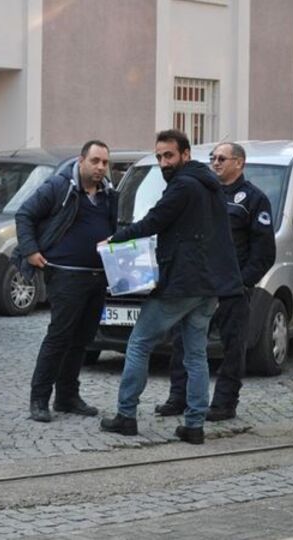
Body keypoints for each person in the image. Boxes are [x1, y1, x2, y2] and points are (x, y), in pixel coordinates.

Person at [99, 130, 242, 444]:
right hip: (208, 285)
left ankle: (126, 416)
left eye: (170, 156)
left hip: (183, 283)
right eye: (160, 156)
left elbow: (154, 220)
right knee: (195, 355)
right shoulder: (210, 185)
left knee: (138, 344)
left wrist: (116, 239)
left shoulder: (183, 186)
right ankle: (194, 425)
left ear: (185, 155)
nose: (164, 162)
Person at [155, 142, 276, 421]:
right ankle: (178, 397)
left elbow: (264, 252)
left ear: (239, 163)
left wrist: (242, 283)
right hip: (198, 284)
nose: (216, 163)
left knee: (232, 347)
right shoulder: (203, 193)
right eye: (213, 158)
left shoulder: (253, 199)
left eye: (222, 158)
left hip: (232, 288)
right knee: (184, 343)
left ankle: (224, 402)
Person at [15, 140, 116, 422]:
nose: (100, 168)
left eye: (105, 163)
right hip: (66, 275)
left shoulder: (109, 194)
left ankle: (67, 396)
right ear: (81, 160)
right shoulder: (59, 187)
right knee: (59, 337)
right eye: (95, 161)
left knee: (82, 340)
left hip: (97, 277)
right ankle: (39, 399)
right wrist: (31, 250)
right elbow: (25, 214)